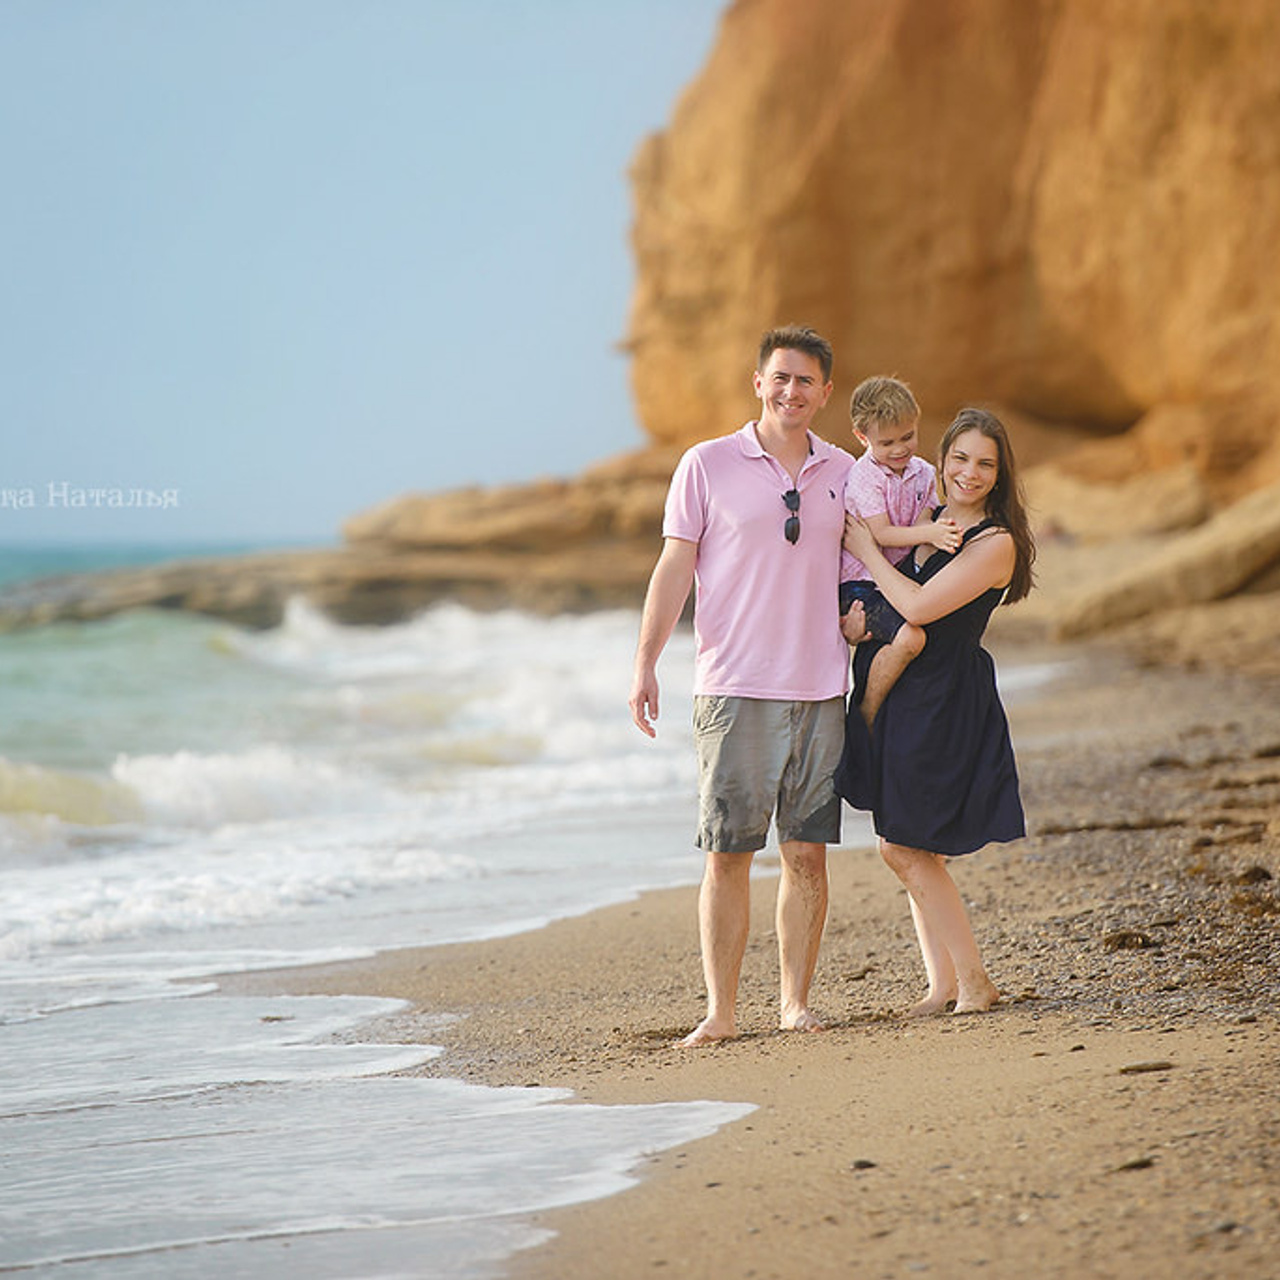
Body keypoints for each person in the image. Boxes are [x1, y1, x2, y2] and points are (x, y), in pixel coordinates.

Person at [628, 324, 855, 1046]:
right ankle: (722, 1012)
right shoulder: (706, 465)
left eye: (806, 381)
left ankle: (794, 1003)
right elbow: (673, 570)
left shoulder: (846, 471)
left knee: (806, 853)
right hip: (733, 687)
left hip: (821, 688)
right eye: (779, 377)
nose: (792, 391)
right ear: (758, 383)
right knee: (727, 852)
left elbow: (877, 552)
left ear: (825, 392)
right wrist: (646, 664)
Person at [835, 407, 1036, 1017]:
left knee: (901, 846)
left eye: (985, 464)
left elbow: (919, 608)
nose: (970, 473)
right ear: (941, 460)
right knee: (915, 842)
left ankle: (974, 982)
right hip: (907, 691)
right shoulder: (933, 518)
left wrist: (865, 550)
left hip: (946, 698)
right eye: (960, 459)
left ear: (1000, 475)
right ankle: (942, 986)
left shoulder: (995, 542)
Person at [839, 376, 960, 728]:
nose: (899, 449)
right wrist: (932, 533)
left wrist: (931, 533)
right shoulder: (864, 476)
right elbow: (881, 533)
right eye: (886, 442)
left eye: (908, 437)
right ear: (863, 437)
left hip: (898, 576)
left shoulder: (924, 472)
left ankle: (914, 712)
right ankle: (866, 711)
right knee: (912, 636)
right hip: (860, 585)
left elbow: (925, 519)